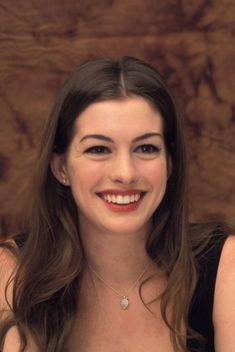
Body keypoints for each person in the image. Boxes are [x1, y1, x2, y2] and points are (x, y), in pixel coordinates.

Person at [0, 56, 234, 352]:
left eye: (146, 148)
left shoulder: (226, 267)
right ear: (61, 168)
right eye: (98, 149)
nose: (125, 173)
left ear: (170, 164)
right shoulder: (14, 272)